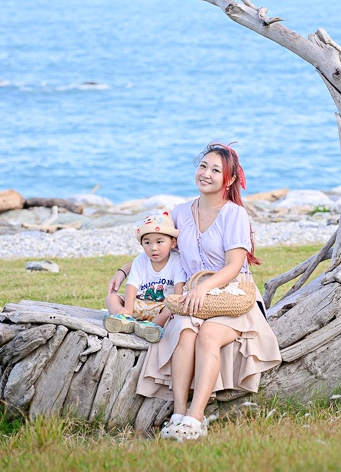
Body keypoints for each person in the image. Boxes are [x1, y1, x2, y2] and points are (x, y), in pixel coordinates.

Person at [107, 143, 281, 442]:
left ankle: (195, 417)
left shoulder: (234, 214)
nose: (206, 174)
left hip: (232, 297)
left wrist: (203, 287)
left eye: (215, 170)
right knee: (184, 331)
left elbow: (234, 265)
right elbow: (158, 245)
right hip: (191, 299)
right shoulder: (180, 213)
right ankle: (178, 413)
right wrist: (124, 270)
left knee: (209, 334)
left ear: (229, 179)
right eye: (203, 166)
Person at [105, 211, 186, 343]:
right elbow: (132, 285)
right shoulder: (140, 260)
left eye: (159, 242)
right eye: (147, 243)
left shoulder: (177, 260)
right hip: (139, 304)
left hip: (162, 307)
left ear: (173, 243)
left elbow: (179, 289)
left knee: (170, 309)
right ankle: (124, 318)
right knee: (111, 298)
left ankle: (151, 327)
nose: (153, 248)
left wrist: (174, 307)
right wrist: (128, 309)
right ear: (141, 244)